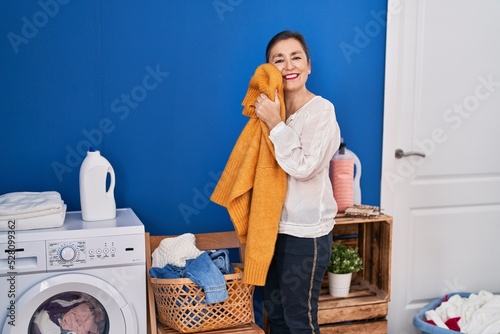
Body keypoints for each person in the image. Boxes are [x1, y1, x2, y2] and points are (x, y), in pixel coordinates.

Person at [254, 30, 341, 333]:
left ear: (308, 65)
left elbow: (304, 167)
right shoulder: (267, 109)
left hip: (306, 234)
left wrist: (275, 124)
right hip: (271, 229)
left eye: (296, 57)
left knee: (299, 321)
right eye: (279, 60)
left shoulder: (321, 111)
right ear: (269, 69)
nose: (288, 66)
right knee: (275, 317)